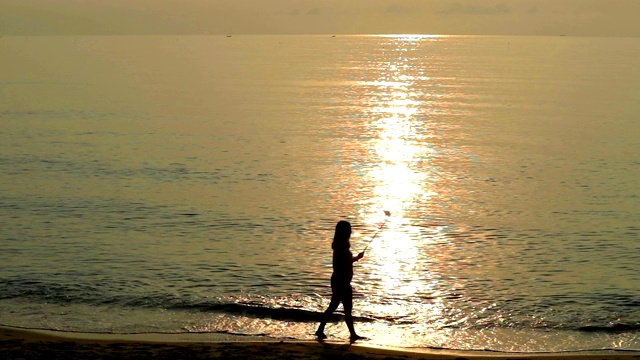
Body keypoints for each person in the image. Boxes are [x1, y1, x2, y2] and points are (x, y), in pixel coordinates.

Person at [315, 220, 365, 343]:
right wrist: (356, 258)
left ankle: (322, 330)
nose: (351, 231)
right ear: (345, 231)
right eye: (349, 229)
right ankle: (351, 334)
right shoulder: (340, 246)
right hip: (341, 281)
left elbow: (345, 262)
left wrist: (356, 258)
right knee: (340, 307)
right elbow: (343, 263)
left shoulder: (340, 245)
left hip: (341, 280)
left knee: (338, 307)